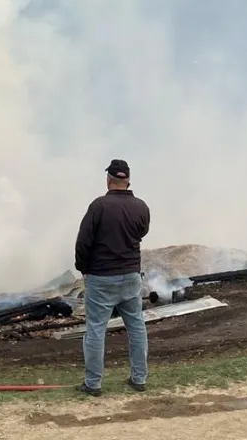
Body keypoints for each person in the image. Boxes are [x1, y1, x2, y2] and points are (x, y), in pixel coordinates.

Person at [74, 158, 151, 397]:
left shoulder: (98, 206)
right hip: (130, 277)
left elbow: (83, 242)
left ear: (109, 180)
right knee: (136, 327)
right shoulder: (141, 207)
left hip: (101, 279)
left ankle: (93, 384)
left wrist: (83, 268)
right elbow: (142, 232)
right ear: (127, 181)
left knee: (96, 329)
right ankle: (139, 379)